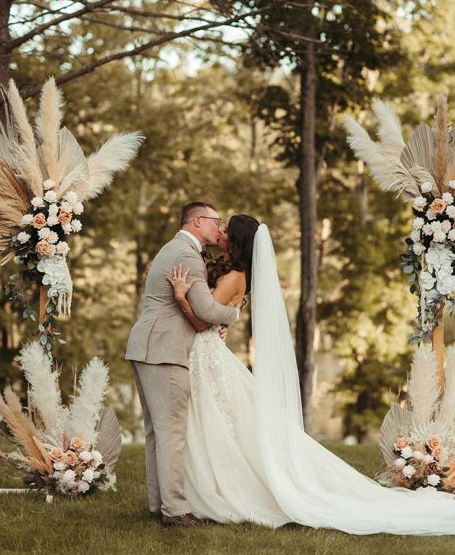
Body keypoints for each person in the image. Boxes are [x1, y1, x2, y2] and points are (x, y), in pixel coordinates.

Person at [169, 218, 455, 535]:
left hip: (206, 355)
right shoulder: (236, 273)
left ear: (236, 240)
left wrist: (182, 297)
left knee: (221, 423)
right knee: (219, 423)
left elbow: (204, 318)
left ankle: (217, 489)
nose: (220, 232)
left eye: (226, 230)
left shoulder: (236, 275)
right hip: (206, 354)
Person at [125, 202, 239, 527]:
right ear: (198, 221)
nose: (220, 229)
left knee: (156, 433)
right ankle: (174, 510)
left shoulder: (174, 248)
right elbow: (206, 309)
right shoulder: (187, 254)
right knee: (171, 433)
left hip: (145, 346)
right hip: (163, 349)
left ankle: (157, 504)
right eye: (216, 222)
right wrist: (235, 312)